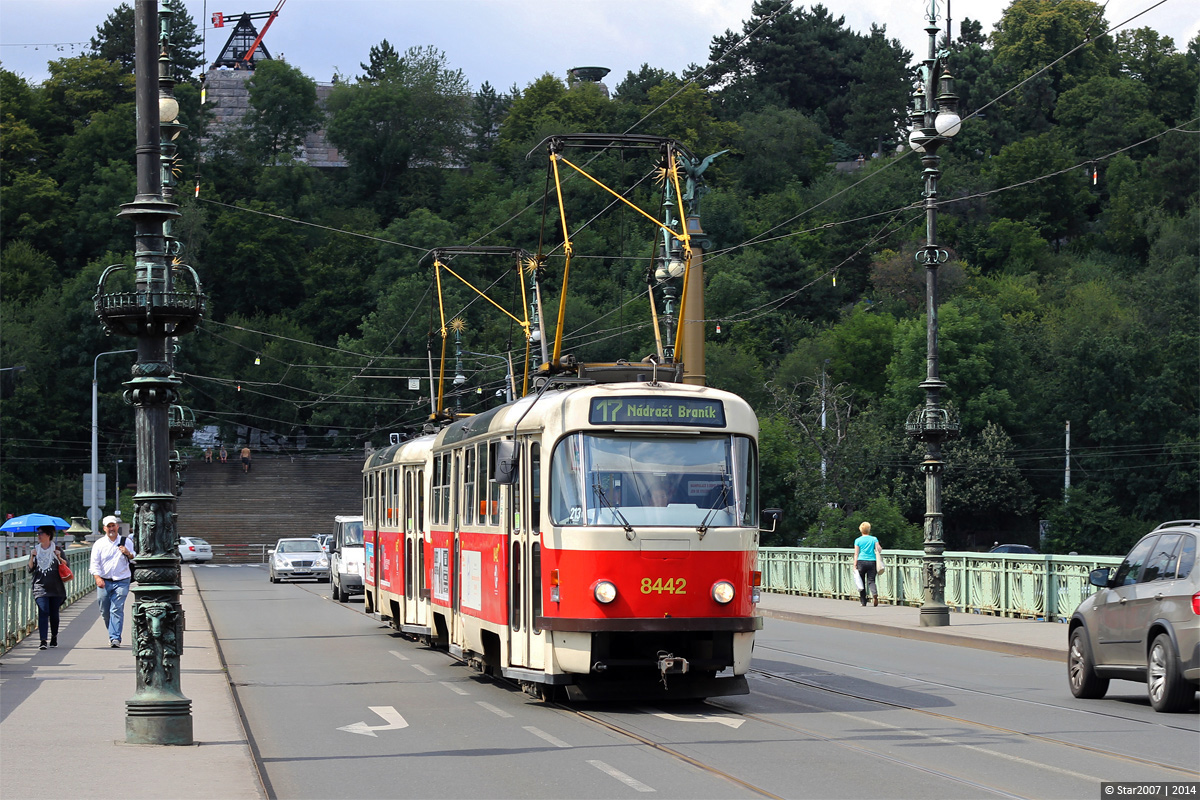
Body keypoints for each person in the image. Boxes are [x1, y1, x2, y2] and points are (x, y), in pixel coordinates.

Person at [90, 515, 136, 647]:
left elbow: (135, 558)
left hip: (122, 580)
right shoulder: (99, 544)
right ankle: (112, 631)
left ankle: (115, 637)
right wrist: (97, 578)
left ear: (117, 527)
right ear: (104, 528)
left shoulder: (126, 541)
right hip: (104, 581)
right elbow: (94, 563)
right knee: (105, 611)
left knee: (116, 609)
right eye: (108, 526)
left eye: (113, 526)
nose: (111, 529)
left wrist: (128, 553)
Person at [28, 526, 67, 649]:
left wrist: (59, 557)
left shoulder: (57, 549)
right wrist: (32, 556)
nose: (39, 535)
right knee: (43, 611)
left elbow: (66, 565)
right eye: (38, 533)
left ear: (48, 535)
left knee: (54, 614)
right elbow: (30, 569)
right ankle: (43, 640)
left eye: (41, 533)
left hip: (56, 587)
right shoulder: (35, 550)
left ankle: (54, 636)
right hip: (40, 586)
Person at [854, 521, 884, 607]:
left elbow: (856, 553)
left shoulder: (858, 540)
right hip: (872, 562)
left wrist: (855, 564)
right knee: (871, 580)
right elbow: (879, 550)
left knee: (861, 582)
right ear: (869, 530)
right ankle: (874, 594)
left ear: (861, 530)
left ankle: (863, 602)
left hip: (861, 561)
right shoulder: (874, 539)